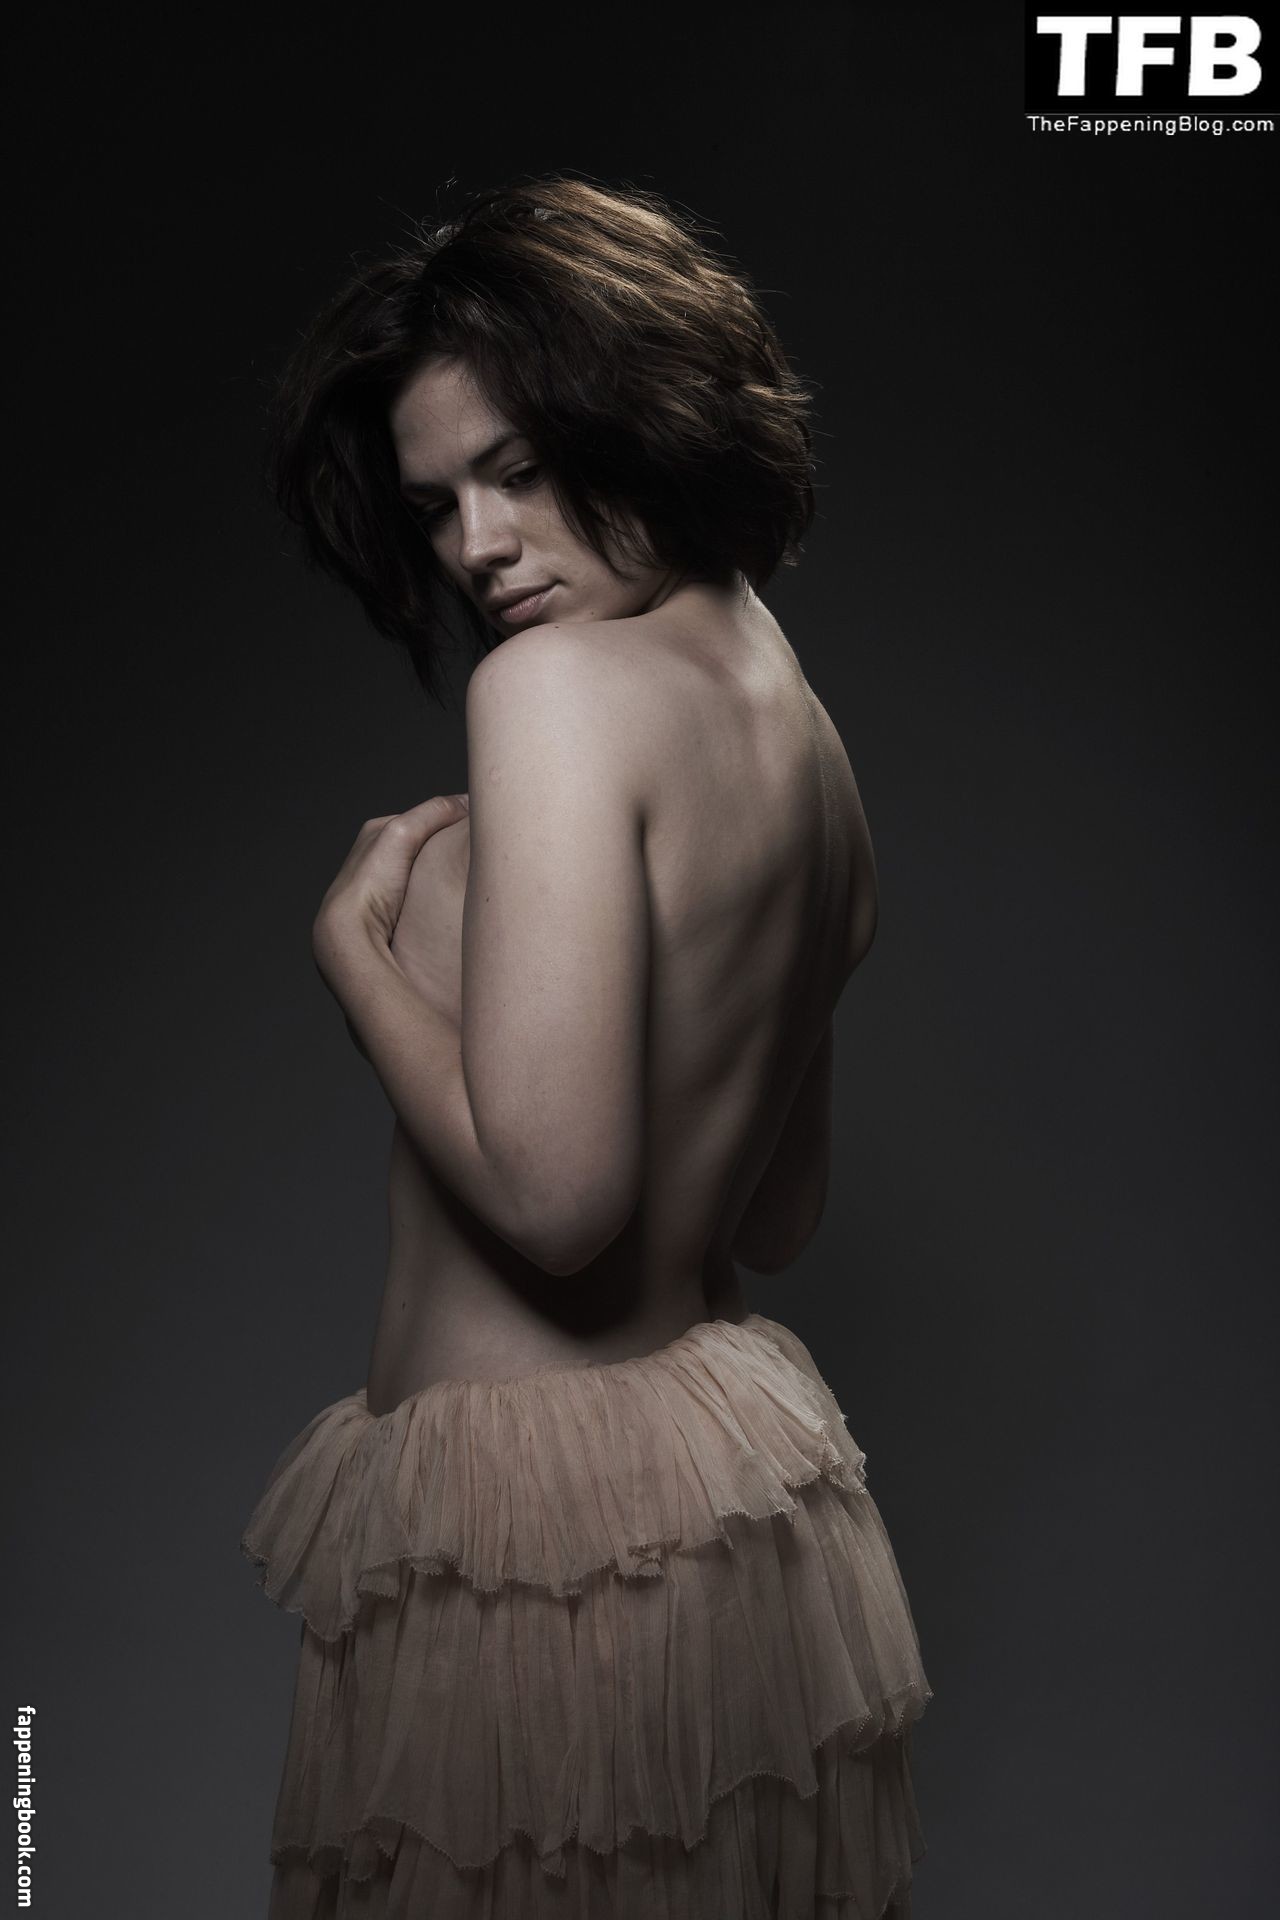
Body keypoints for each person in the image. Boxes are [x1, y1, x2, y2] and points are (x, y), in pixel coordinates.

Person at [241, 173, 932, 1918]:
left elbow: (560, 1205)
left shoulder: (550, 693)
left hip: (531, 1556)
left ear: (640, 414)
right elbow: (775, 1215)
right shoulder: (805, 740)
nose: (477, 548)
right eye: (437, 504)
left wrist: (354, 957)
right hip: (726, 1506)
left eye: (519, 470)